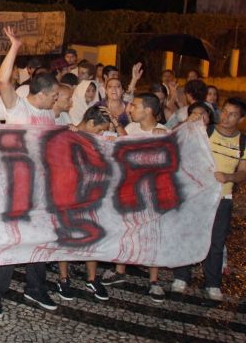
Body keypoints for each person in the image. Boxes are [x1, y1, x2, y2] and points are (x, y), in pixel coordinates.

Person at [0, 26, 58, 319]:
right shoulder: (18, 107)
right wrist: (14, 46)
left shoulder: (49, 114)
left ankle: (35, 286)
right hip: (13, 185)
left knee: (38, 236)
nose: (57, 101)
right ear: (43, 93)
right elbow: (3, 79)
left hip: (41, 187)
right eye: (55, 95)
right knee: (10, 238)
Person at [172, 98, 246, 301]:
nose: (226, 117)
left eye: (232, 114)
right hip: (197, 195)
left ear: (241, 119)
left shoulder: (243, 142)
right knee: (188, 234)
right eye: (225, 111)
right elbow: (178, 136)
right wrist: (189, 121)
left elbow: (243, 172)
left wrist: (228, 177)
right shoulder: (207, 131)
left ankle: (212, 283)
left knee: (216, 240)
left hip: (223, 198)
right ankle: (181, 276)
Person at [102, 93, 167, 302]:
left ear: (148, 110)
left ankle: (154, 280)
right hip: (128, 188)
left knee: (152, 235)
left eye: (135, 106)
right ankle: (120, 270)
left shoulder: (164, 132)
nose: (130, 109)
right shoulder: (131, 128)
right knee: (125, 230)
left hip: (151, 194)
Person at [55, 105, 112, 302]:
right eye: (99, 129)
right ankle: (63, 278)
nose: (101, 133)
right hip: (66, 192)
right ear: (89, 123)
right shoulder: (66, 133)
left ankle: (92, 277)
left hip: (90, 193)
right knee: (65, 235)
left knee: (93, 234)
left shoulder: (96, 139)